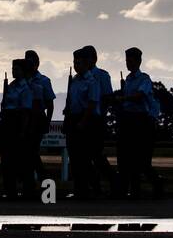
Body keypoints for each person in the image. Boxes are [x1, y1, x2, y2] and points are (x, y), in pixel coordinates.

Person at [118, 47, 164, 198]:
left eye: (130, 60)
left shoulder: (144, 79)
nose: (128, 63)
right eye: (126, 60)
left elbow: (139, 96)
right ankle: (135, 190)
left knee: (142, 160)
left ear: (138, 61)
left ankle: (158, 185)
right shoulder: (129, 79)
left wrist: (123, 98)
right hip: (129, 119)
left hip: (142, 121)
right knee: (129, 158)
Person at [81, 45, 120, 196]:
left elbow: (107, 97)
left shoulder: (102, 75)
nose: (85, 60)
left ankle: (113, 181)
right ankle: (95, 186)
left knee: (95, 154)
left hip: (97, 119)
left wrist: (100, 116)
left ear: (94, 59)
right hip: (84, 118)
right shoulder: (81, 77)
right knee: (85, 156)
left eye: (87, 58)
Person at [64, 49, 102, 199]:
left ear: (86, 63)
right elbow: (71, 102)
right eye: (74, 62)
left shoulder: (91, 81)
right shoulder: (75, 81)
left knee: (84, 158)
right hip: (74, 118)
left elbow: (92, 104)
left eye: (78, 62)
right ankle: (80, 189)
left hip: (86, 120)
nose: (75, 65)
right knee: (74, 157)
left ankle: (94, 187)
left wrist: (83, 122)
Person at [0, 58, 35, 199]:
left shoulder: (25, 88)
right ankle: (10, 189)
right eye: (13, 68)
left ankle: (27, 190)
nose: (14, 71)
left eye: (17, 69)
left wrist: (22, 131)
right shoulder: (11, 86)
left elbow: (25, 112)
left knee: (21, 160)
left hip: (17, 122)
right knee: (6, 159)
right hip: (7, 121)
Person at [25, 50, 55, 182]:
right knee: (27, 152)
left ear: (37, 64)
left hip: (38, 118)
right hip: (24, 117)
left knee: (31, 150)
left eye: (31, 61)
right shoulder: (23, 79)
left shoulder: (43, 81)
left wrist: (47, 123)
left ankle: (44, 177)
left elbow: (50, 104)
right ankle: (31, 181)